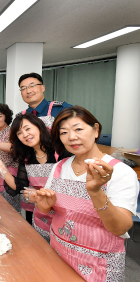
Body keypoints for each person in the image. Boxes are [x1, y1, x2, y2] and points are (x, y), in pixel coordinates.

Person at [34, 106, 138, 281]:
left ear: (96, 130)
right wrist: (44, 206)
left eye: (78, 129)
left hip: (99, 264)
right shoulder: (60, 167)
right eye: (64, 132)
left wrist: (96, 191)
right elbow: (50, 210)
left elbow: (120, 228)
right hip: (59, 253)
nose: (72, 137)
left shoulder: (120, 172)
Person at [0, 113, 70, 241]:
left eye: (27, 128)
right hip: (41, 220)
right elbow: (19, 186)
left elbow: (71, 191)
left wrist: (39, 194)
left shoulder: (61, 151)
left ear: (39, 127)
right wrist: (1, 168)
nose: (24, 135)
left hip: (65, 223)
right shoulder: (26, 156)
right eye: (19, 133)